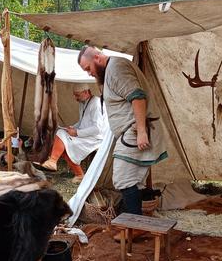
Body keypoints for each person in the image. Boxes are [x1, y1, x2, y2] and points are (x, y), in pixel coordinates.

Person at [77, 46, 167, 216]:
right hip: (130, 132)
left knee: (122, 179)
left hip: (134, 132)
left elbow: (137, 97)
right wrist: (98, 78)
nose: (89, 73)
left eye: (88, 68)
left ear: (97, 57)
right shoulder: (109, 70)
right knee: (133, 181)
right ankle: (134, 222)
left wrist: (141, 131)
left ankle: (134, 226)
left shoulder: (116, 68)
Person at [38, 83, 107, 183]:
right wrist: (72, 128)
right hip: (86, 135)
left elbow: (98, 129)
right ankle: (79, 175)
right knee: (63, 140)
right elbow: (82, 121)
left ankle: (53, 161)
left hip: (96, 138)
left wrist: (77, 132)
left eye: (77, 95)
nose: (75, 97)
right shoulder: (83, 103)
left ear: (86, 92)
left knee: (62, 137)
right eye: (74, 95)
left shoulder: (96, 103)